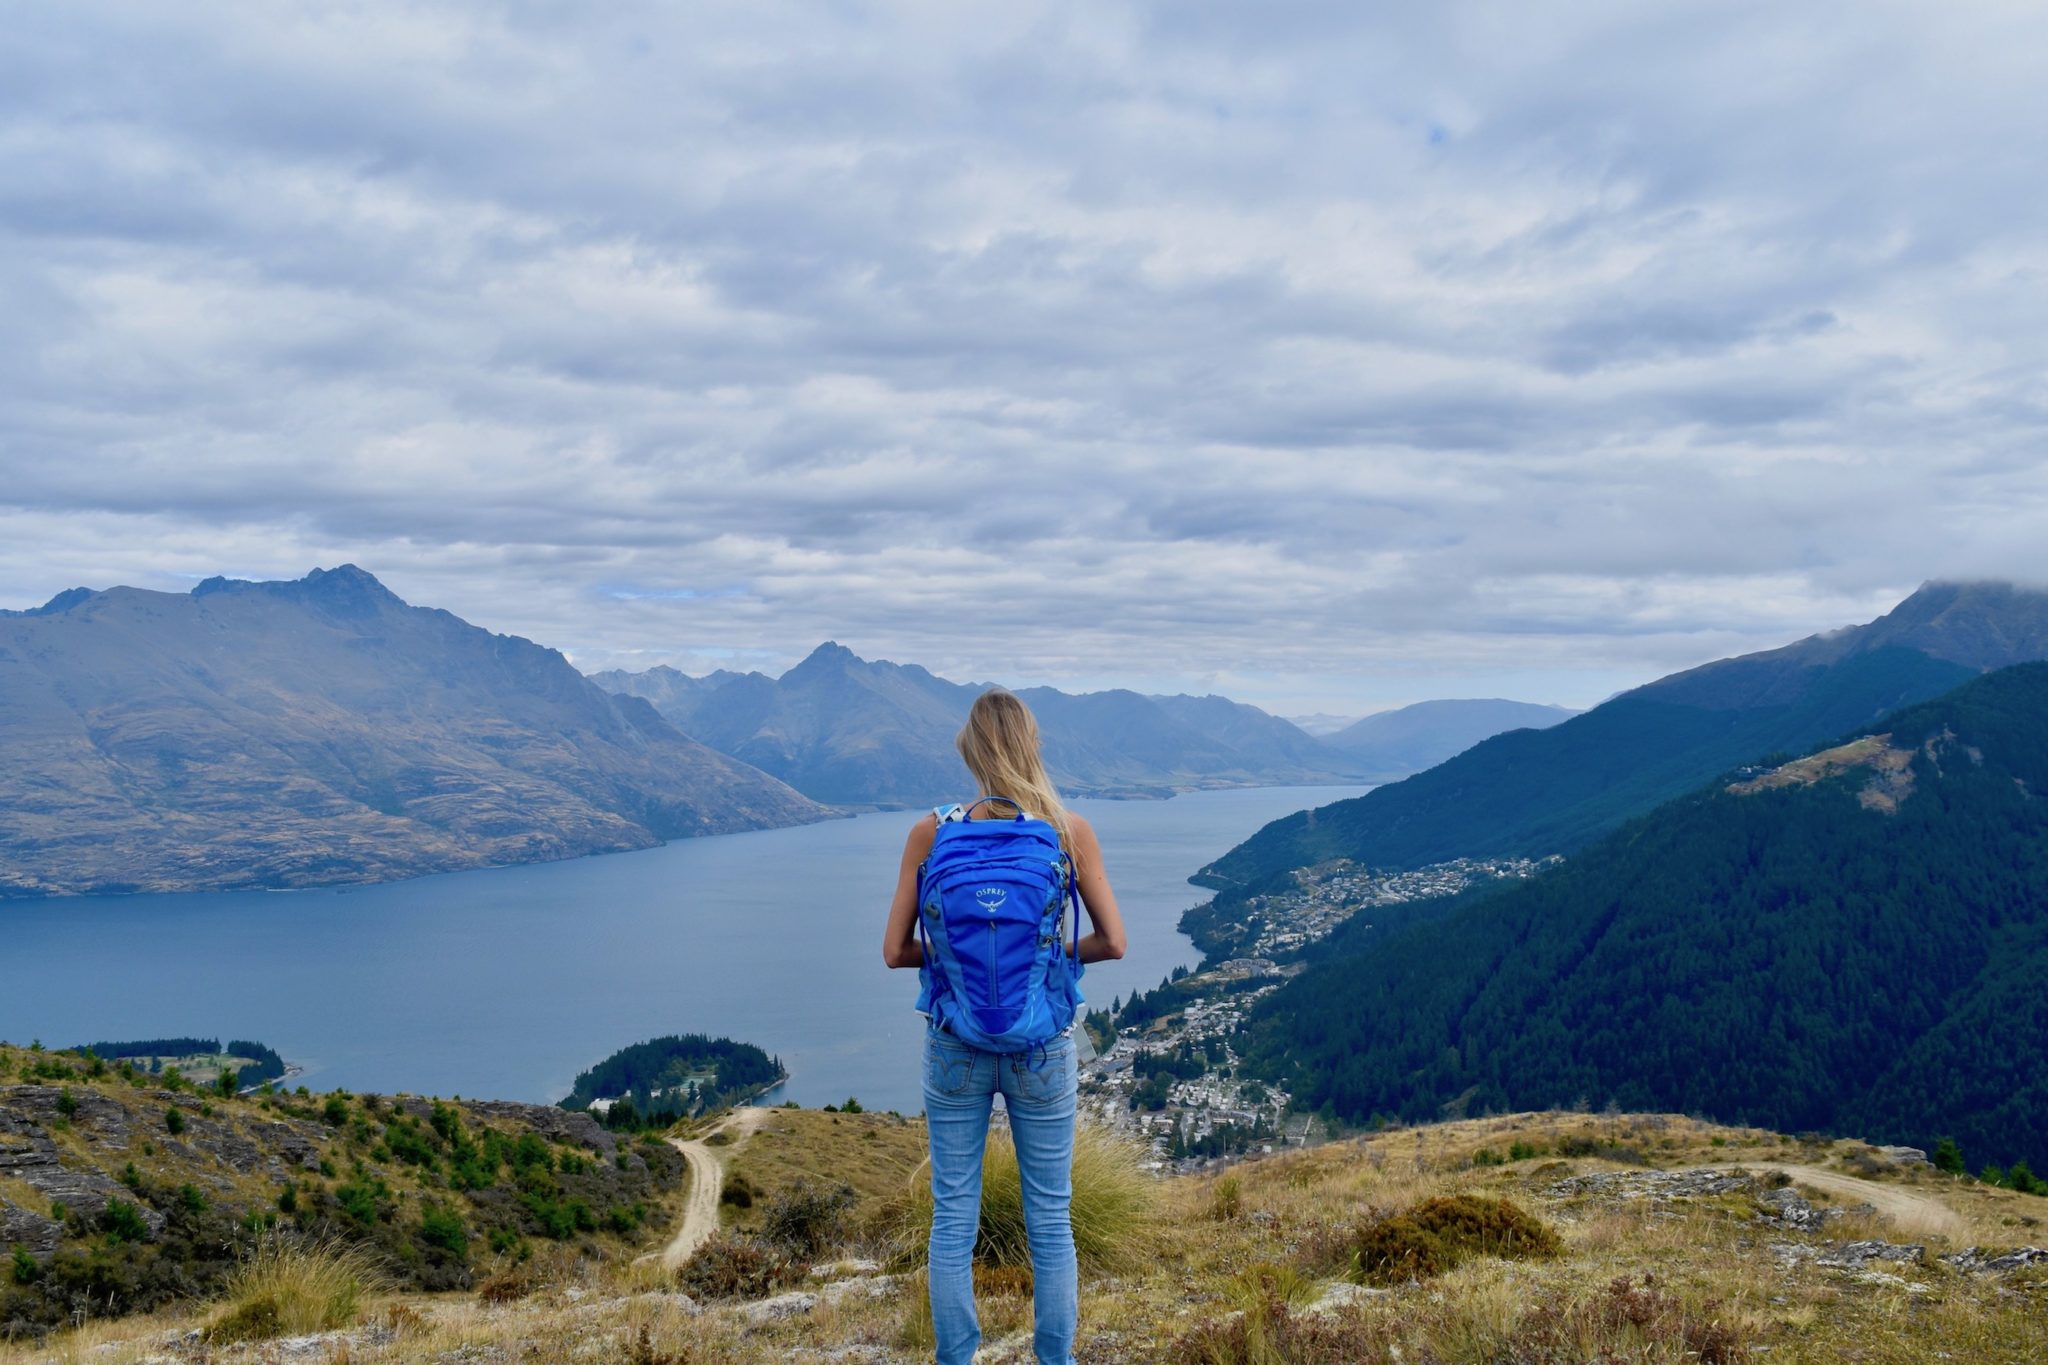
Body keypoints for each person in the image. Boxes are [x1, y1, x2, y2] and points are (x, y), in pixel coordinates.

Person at [882, 688, 1127, 1365]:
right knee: (1050, 1217)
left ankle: (956, 1358)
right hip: (1042, 1046)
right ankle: (1056, 1359)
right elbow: (1114, 941)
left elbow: (896, 951)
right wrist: (1052, 954)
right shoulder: (1067, 831)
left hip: (955, 1043)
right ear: (1032, 745)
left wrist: (958, 958)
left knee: (952, 1214)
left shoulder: (930, 832)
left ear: (970, 749)